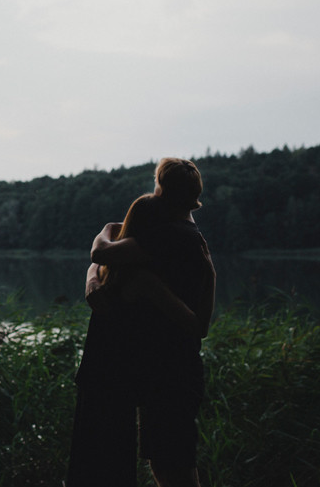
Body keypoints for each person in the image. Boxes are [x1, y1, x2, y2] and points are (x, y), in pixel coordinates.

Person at [66, 158, 216, 487]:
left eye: (157, 185)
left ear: (164, 190)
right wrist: (93, 280)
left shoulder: (168, 238)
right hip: (167, 370)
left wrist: (106, 234)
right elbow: (102, 264)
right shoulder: (185, 235)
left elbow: (101, 253)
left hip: (171, 373)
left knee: (172, 467)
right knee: (168, 466)